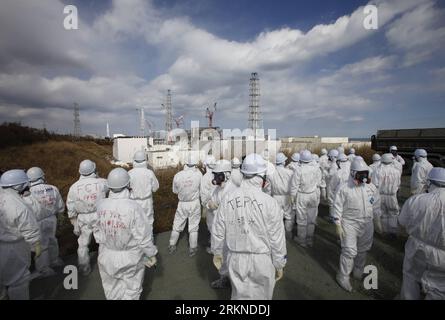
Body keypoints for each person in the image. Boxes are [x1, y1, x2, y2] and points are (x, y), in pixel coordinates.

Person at [212, 154, 287, 300]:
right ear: (262, 176)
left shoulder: (229, 198)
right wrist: (279, 263)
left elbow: (218, 229)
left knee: (239, 298)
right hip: (263, 261)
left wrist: (217, 252)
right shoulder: (270, 203)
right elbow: (277, 238)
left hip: (236, 259)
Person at [94, 168, 158, 300]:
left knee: (111, 289)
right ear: (128, 185)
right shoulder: (133, 207)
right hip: (131, 257)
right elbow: (143, 237)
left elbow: (97, 232)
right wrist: (151, 254)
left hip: (106, 254)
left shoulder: (100, 205)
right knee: (132, 290)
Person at [332, 158, 382, 292]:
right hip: (349, 224)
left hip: (367, 223)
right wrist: (337, 223)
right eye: (361, 174)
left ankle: (358, 270)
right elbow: (337, 207)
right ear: (353, 173)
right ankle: (343, 276)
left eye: (365, 174)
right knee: (349, 251)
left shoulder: (370, 187)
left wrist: (377, 220)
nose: (364, 178)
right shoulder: (344, 188)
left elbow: (376, 204)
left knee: (363, 249)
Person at [398, 167, 445, 299]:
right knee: (439, 288)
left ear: (429, 182)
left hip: (416, 248)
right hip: (442, 256)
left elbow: (402, 222)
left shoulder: (416, 200)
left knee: (410, 277)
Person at [0, 170, 41, 300]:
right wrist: (36, 245)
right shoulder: (18, 204)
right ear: (18, 186)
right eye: (25, 184)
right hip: (13, 247)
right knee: (18, 280)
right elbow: (29, 228)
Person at [66, 159, 108, 275]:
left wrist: (74, 222)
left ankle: (84, 268)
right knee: (103, 241)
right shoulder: (102, 182)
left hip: (82, 217)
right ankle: (104, 267)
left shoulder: (74, 187)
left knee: (83, 243)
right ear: (94, 169)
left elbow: (71, 206)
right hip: (99, 215)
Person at [26, 167, 65, 278]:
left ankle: (44, 268)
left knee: (40, 245)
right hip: (52, 219)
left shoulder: (28, 193)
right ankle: (55, 260)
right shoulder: (53, 188)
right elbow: (60, 205)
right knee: (52, 240)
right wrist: (61, 215)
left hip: (36, 222)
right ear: (42, 176)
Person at [207, 160, 237, 289]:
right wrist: (210, 204)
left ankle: (234, 280)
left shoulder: (233, 190)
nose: (215, 178)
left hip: (229, 229)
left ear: (227, 175)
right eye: (215, 175)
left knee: (231, 255)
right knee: (221, 254)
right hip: (218, 228)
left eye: (218, 175)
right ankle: (224, 278)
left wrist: (218, 209)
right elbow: (211, 201)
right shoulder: (217, 188)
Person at [168, 153, 202, 256]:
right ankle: (192, 248)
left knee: (177, 225)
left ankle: (172, 245)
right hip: (195, 203)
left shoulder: (177, 175)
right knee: (193, 226)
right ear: (195, 163)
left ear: (186, 163)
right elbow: (201, 189)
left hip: (182, 203)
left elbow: (175, 191)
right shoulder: (199, 174)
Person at [290, 150, 322, 248]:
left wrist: (292, 197)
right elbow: (318, 183)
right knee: (311, 219)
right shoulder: (316, 168)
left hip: (302, 195)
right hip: (313, 194)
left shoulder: (299, 170)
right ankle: (309, 239)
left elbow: (294, 185)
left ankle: (302, 240)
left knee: (301, 219)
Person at [128, 151, 159, 240]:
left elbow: (126, 190)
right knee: (149, 223)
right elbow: (155, 188)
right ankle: (149, 247)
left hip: (134, 202)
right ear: (145, 160)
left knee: (135, 224)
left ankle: (137, 247)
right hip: (147, 201)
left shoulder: (130, 173)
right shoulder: (149, 173)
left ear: (134, 161)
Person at [373, 154, 401, 238]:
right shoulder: (396, 171)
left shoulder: (377, 171)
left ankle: (384, 230)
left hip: (380, 195)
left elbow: (375, 185)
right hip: (392, 196)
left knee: (383, 213)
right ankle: (392, 232)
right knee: (393, 213)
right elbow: (398, 184)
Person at [268, 152, 294, 239]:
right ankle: (288, 233)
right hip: (287, 196)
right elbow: (293, 185)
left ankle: (277, 235)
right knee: (288, 216)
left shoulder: (271, 174)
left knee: (276, 217)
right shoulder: (290, 173)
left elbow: (268, 188)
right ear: (283, 162)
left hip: (275, 197)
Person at [200, 155, 217, 225]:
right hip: (220, 206)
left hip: (210, 207)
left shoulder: (205, 178)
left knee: (212, 229)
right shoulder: (218, 174)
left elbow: (204, 196)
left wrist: (205, 205)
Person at [325, 149, 339, 220]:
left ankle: (332, 216)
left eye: (330, 157)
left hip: (331, 184)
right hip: (336, 184)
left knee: (331, 201)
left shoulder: (333, 165)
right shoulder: (338, 163)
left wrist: (324, 171)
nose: (329, 158)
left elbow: (330, 175)